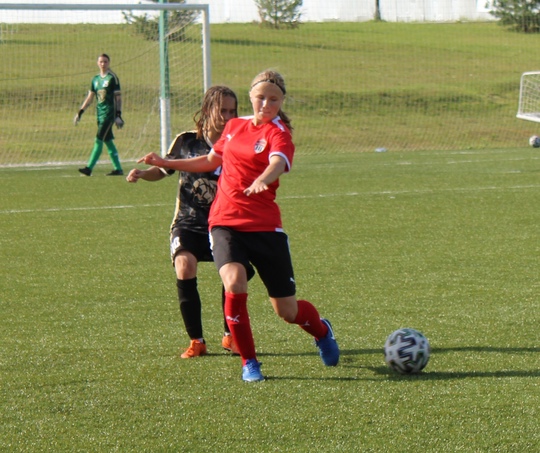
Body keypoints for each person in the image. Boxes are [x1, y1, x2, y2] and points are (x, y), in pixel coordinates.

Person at [136, 70, 340, 382]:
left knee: (287, 311)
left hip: (265, 227)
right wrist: (166, 163)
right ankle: (249, 362)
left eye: (274, 99)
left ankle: (322, 331)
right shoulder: (234, 127)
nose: (266, 104)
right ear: (251, 97)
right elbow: (209, 161)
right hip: (224, 222)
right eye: (261, 97)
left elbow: (277, 162)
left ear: (281, 101)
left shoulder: (279, 133)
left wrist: (263, 179)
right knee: (233, 281)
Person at [127, 85, 250, 359]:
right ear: (207, 110)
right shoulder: (186, 141)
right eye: (222, 110)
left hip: (224, 223)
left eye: (232, 111)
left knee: (231, 276)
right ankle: (197, 341)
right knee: (184, 265)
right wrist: (144, 174)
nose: (228, 117)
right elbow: (163, 170)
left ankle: (231, 335)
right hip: (188, 221)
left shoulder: (237, 142)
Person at [74, 53, 124, 176]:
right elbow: (90, 97)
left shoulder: (112, 78)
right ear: (97, 63)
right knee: (108, 141)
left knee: (98, 139)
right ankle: (118, 169)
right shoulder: (95, 79)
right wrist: (80, 112)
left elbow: (118, 98)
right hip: (100, 114)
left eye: (105, 61)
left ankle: (89, 168)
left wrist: (118, 115)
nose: (103, 64)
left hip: (109, 114)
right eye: (101, 61)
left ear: (109, 63)